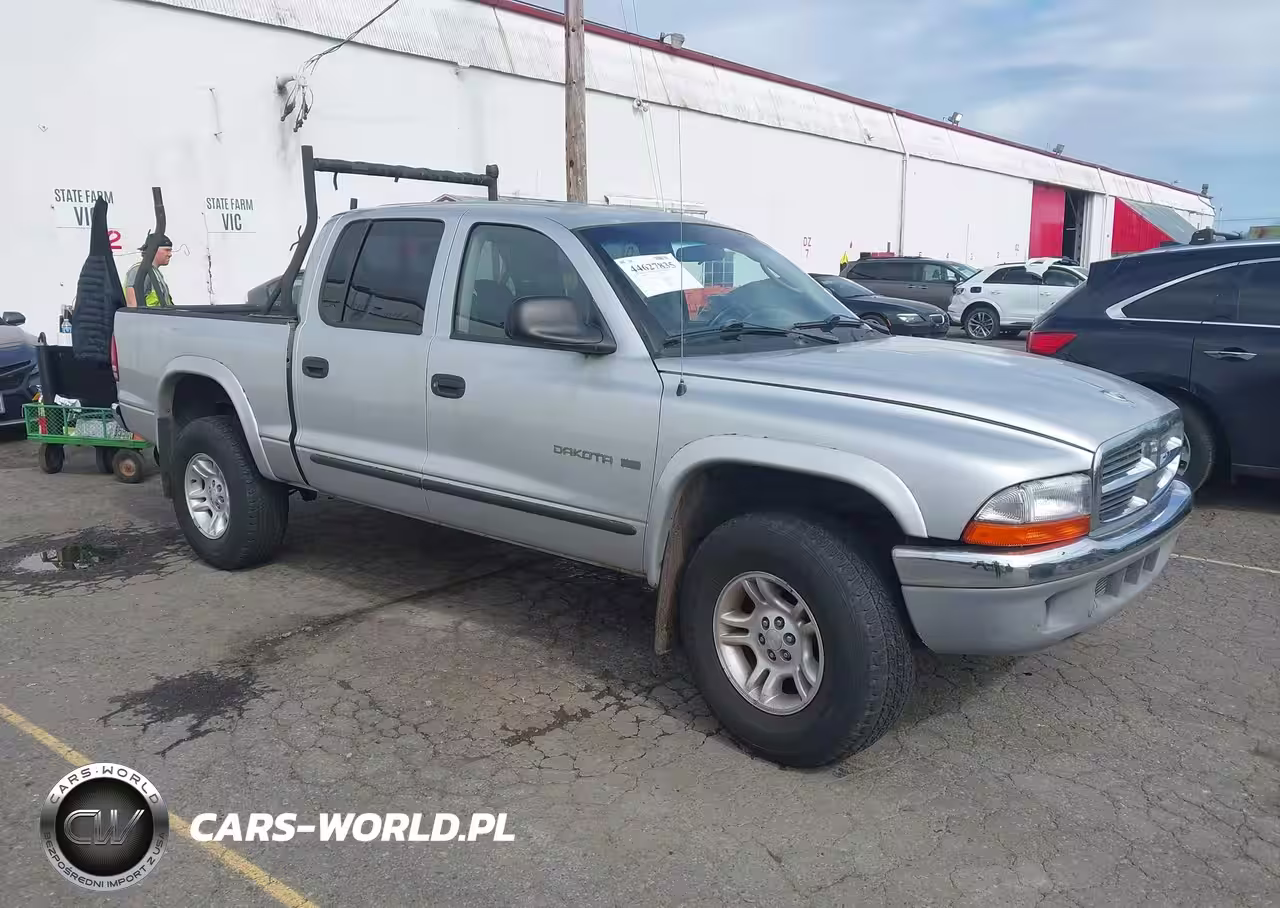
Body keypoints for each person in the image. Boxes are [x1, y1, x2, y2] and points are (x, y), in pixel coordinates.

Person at [124, 234, 175, 307]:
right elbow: (132, 306)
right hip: (149, 318)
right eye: (167, 250)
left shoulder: (155, 273)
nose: (170, 254)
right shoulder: (139, 272)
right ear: (153, 250)